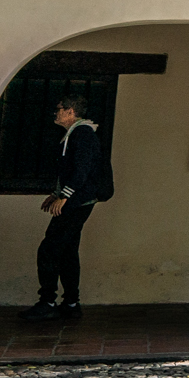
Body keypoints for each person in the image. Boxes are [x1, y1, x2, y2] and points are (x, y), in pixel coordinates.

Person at [23, 95, 112, 323]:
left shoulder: (82, 134)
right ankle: (71, 303)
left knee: (50, 249)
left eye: (59, 109)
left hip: (77, 202)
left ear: (71, 111)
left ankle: (48, 302)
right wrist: (56, 193)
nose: (56, 113)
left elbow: (82, 170)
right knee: (67, 250)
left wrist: (66, 196)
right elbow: (70, 169)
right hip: (78, 200)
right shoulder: (76, 134)